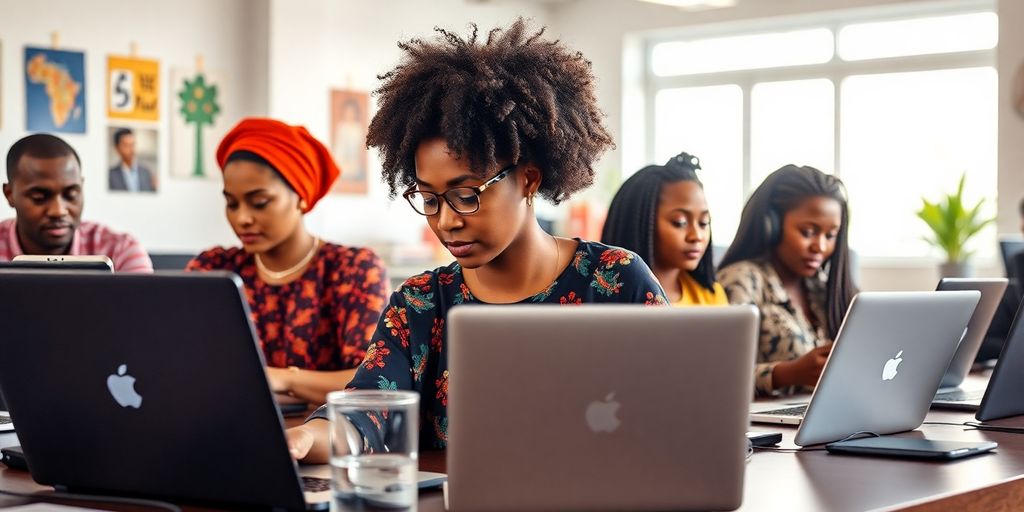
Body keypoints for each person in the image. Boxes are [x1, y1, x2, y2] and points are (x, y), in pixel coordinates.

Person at [286, 19, 668, 463]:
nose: (446, 221)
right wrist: (304, 438)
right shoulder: (421, 304)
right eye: (428, 198)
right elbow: (365, 413)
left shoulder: (615, 280)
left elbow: (678, 408)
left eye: (466, 195)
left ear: (527, 180)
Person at [186, 118, 389, 405]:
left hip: (320, 439)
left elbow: (372, 381)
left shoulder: (353, 269)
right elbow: (185, 365)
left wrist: (282, 378)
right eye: (232, 203)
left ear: (300, 197)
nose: (242, 218)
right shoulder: (214, 269)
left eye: (259, 202)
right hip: (220, 428)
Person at [717, 165, 856, 397]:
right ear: (771, 226)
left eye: (830, 235)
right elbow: (716, 375)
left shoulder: (821, 287)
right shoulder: (741, 279)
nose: (820, 247)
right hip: (767, 424)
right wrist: (788, 373)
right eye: (808, 232)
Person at [1, 133, 152, 272]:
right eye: (39, 197)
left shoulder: (121, 250)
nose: (59, 211)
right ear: (9, 195)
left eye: (71, 195)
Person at [602, 152, 727, 306]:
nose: (697, 236)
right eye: (680, 222)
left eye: (703, 223)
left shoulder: (711, 297)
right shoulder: (605, 294)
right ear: (639, 222)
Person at [108, 128, 156, 192]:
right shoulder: (111, 175)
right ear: (117, 148)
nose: (131, 149)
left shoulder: (146, 173)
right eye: (126, 145)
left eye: (132, 145)